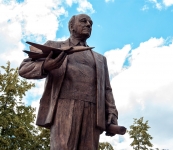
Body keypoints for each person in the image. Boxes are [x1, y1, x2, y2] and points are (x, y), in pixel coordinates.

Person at [19, 14, 118, 150]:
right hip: (63, 107)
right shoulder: (54, 47)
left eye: (91, 23)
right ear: (71, 26)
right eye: (83, 21)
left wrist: (112, 112)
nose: (88, 24)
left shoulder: (100, 59)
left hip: (93, 112)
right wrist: (46, 66)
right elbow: (24, 69)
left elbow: (106, 89)